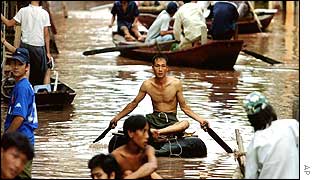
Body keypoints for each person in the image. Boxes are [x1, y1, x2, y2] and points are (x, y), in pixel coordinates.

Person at [110, 55, 209, 140]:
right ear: (152, 68)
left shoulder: (175, 84)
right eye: (157, 66)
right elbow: (134, 103)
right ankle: (153, 131)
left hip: (170, 121)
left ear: (167, 68)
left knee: (185, 123)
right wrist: (116, 118)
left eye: (163, 66)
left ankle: (158, 132)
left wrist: (201, 120)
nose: (160, 69)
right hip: (153, 119)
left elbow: (185, 108)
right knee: (136, 122)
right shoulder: (147, 84)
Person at [240, 91, 299, 179]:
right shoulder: (292, 125)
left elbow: (251, 176)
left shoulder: (255, 144)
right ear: (270, 109)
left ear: (251, 120)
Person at [3, 48, 38, 179]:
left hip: (21, 142)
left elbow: (19, 117)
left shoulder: (22, 87)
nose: (16, 67)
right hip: (23, 140)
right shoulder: (23, 85)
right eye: (14, 63)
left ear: (27, 67)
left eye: (20, 64)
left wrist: (6, 137)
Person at [1, 1, 53, 86]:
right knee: (46, 71)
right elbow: (46, 34)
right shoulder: (44, 13)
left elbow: (8, 23)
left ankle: (25, 89)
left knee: (25, 71)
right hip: (39, 48)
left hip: (25, 47)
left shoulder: (23, 11)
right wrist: (48, 52)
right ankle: (45, 92)